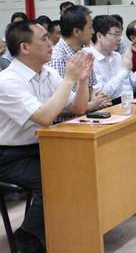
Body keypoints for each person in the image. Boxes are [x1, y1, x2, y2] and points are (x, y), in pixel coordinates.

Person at [0, 20, 93, 252]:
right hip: (10, 156)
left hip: (41, 146)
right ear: (24, 47)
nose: (51, 43)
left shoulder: (47, 72)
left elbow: (78, 108)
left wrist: (82, 80)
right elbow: (44, 117)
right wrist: (69, 79)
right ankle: (26, 235)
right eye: (44, 39)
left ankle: (67, 231)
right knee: (55, 180)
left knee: (83, 170)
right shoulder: (7, 81)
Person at [48, 5, 111, 122]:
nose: (93, 32)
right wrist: (91, 105)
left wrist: (98, 97)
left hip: (84, 119)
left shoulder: (84, 53)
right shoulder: (57, 58)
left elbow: (90, 89)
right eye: (89, 27)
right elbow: (55, 104)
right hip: (64, 125)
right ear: (76, 31)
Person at [87, 15, 136, 103]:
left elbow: (134, 87)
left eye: (119, 34)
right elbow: (102, 94)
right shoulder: (89, 59)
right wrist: (124, 71)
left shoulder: (117, 56)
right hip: (108, 106)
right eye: (115, 34)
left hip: (128, 102)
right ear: (99, 36)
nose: (120, 38)